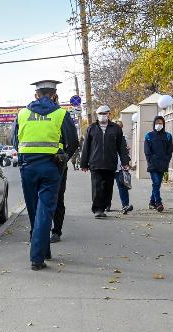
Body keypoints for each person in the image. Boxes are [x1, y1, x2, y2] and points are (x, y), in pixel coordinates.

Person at [12, 80, 79, 270]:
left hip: (28, 167)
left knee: (34, 211)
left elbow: (14, 141)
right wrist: (64, 158)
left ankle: (43, 250)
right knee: (45, 212)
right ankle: (37, 258)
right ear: (54, 94)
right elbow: (73, 142)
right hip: (51, 167)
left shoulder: (22, 114)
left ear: (36, 95)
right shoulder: (61, 114)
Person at [80, 105, 130, 218]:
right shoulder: (91, 128)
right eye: (100, 114)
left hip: (110, 163)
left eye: (104, 113)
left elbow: (121, 147)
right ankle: (97, 209)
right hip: (95, 163)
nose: (102, 116)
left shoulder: (116, 128)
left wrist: (125, 161)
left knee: (108, 187)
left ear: (109, 114)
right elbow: (86, 147)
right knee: (97, 187)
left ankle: (103, 207)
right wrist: (84, 163)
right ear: (97, 115)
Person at [47, 91, 79, 244]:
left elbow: (73, 141)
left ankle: (54, 231)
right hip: (47, 164)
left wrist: (65, 157)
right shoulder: (30, 114)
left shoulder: (61, 115)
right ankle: (47, 231)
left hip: (55, 164)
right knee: (52, 198)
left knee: (55, 198)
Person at [144, 115, 173, 212]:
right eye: (157, 123)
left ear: (163, 124)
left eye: (160, 123)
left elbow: (169, 151)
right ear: (154, 124)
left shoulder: (168, 136)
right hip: (153, 164)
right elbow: (147, 151)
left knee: (157, 184)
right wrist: (150, 161)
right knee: (156, 183)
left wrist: (166, 161)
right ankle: (158, 203)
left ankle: (151, 203)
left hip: (163, 164)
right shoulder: (149, 136)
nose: (158, 125)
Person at [110, 120, 133, 214]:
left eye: (120, 127)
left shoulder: (124, 138)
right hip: (110, 166)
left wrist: (127, 160)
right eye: (117, 127)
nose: (118, 129)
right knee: (107, 187)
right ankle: (106, 205)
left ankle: (125, 205)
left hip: (121, 167)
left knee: (123, 186)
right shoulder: (108, 138)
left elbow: (125, 153)